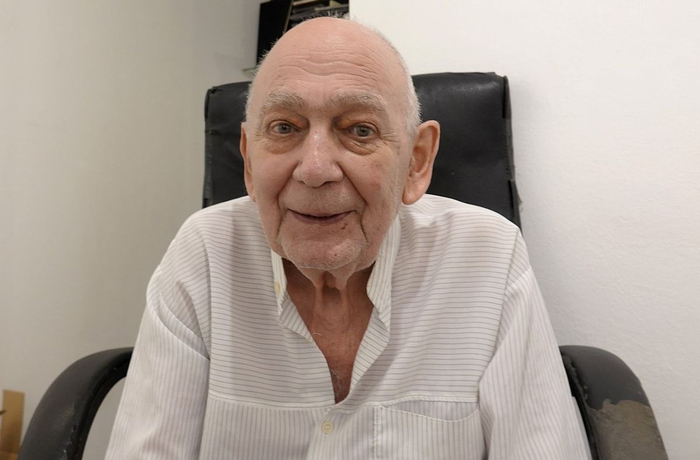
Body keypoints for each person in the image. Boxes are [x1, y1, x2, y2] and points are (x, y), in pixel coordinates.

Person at [106, 17, 589, 460]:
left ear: (417, 162)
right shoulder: (204, 254)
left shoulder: (488, 256)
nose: (315, 169)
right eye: (284, 128)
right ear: (249, 160)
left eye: (359, 130)